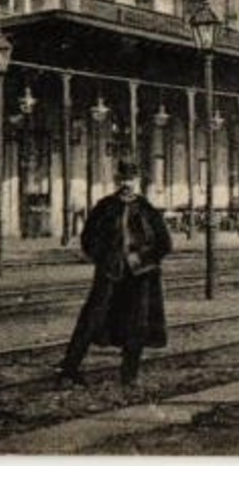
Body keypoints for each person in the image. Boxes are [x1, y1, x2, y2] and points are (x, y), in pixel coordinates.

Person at [57, 158, 172, 387]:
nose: (127, 184)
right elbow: (88, 239)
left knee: (137, 324)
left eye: (131, 179)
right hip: (110, 272)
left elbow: (164, 244)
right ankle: (69, 369)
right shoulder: (104, 206)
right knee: (90, 319)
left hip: (140, 276)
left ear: (138, 181)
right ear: (116, 180)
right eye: (123, 179)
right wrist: (104, 257)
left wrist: (141, 258)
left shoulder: (148, 209)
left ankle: (129, 375)